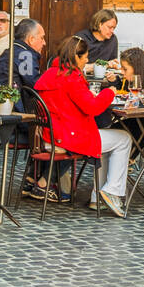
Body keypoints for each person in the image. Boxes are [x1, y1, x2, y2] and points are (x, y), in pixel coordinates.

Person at [29, 35, 131, 218]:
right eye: (85, 57)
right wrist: (110, 91)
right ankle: (112, 191)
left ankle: (97, 197)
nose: (87, 61)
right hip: (69, 136)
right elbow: (93, 108)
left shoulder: (50, 73)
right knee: (123, 139)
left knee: (109, 140)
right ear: (76, 57)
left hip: (49, 135)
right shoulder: (71, 77)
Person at [0, 19, 45, 103]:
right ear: (31, 39)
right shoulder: (24, 55)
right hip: (14, 108)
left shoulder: (11, 50)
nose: (44, 43)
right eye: (42, 38)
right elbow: (35, 85)